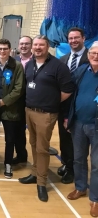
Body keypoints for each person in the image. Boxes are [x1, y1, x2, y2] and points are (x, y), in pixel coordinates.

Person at [19, 35, 74, 202]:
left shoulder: (58, 66)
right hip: (29, 111)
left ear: (47, 46)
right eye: (35, 45)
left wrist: (51, 101)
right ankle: (36, 173)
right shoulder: (29, 65)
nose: (37, 48)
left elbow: (68, 90)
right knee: (34, 145)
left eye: (41, 45)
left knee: (42, 149)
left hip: (46, 114)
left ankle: (42, 183)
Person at [65, 41, 98, 217]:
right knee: (78, 158)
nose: (95, 56)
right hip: (78, 123)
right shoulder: (81, 71)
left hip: (96, 125)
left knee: (97, 164)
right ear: (89, 54)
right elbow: (70, 91)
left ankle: (95, 199)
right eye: (93, 53)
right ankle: (80, 187)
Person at [0, 38, 25, 179]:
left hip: (11, 108)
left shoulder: (17, 66)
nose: (2, 51)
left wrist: (4, 101)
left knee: (10, 139)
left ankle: (8, 163)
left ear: (10, 50)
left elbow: (19, 88)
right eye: (0, 49)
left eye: (5, 49)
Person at [57, 27, 89, 184]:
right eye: (70, 38)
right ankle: (67, 164)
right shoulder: (63, 59)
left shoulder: (92, 57)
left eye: (76, 38)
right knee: (64, 138)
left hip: (82, 106)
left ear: (83, 38)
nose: (73, 41)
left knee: (78, 141)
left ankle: (75, 170)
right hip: (64, 106)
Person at [12, 36, 33, 164]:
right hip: (16, 101)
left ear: (31, 45)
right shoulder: (13, 60)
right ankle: (21, 155)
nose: (24, 46)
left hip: (31, 100)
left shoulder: (36, 61)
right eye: (22, 44)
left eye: (27, 44)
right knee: (17, 130)